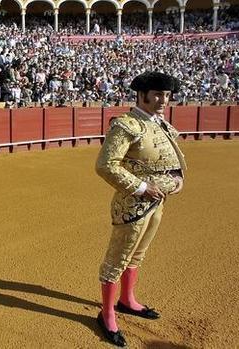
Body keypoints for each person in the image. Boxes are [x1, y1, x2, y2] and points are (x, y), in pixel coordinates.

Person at [94, 71, 187, 347]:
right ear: (141, 95)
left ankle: (127, 300)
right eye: (157, 94)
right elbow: (105, 165)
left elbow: (172, 160)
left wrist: (178, 180)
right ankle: (107, 314)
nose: (163, 100)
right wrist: (141, 188)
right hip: (132, 204)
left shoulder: (161, 125)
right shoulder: (126, 125)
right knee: (117, 259)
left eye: (167, 95)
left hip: (157, 202)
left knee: (138, 254)